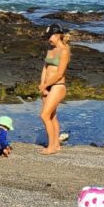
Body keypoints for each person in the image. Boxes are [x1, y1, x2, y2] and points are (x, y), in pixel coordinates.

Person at [39, 24, 71, 155]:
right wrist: (42, 85)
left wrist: (46, 85)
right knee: (52, 116)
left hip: (58, 86)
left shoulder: (64, 51)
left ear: (58, 35)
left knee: (44, 115)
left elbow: (59, 74)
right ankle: (56, 145)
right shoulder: (50, 49)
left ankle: (51, 147)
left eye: (50, 36)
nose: (49, 39)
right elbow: (45, 68)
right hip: (46, 86)